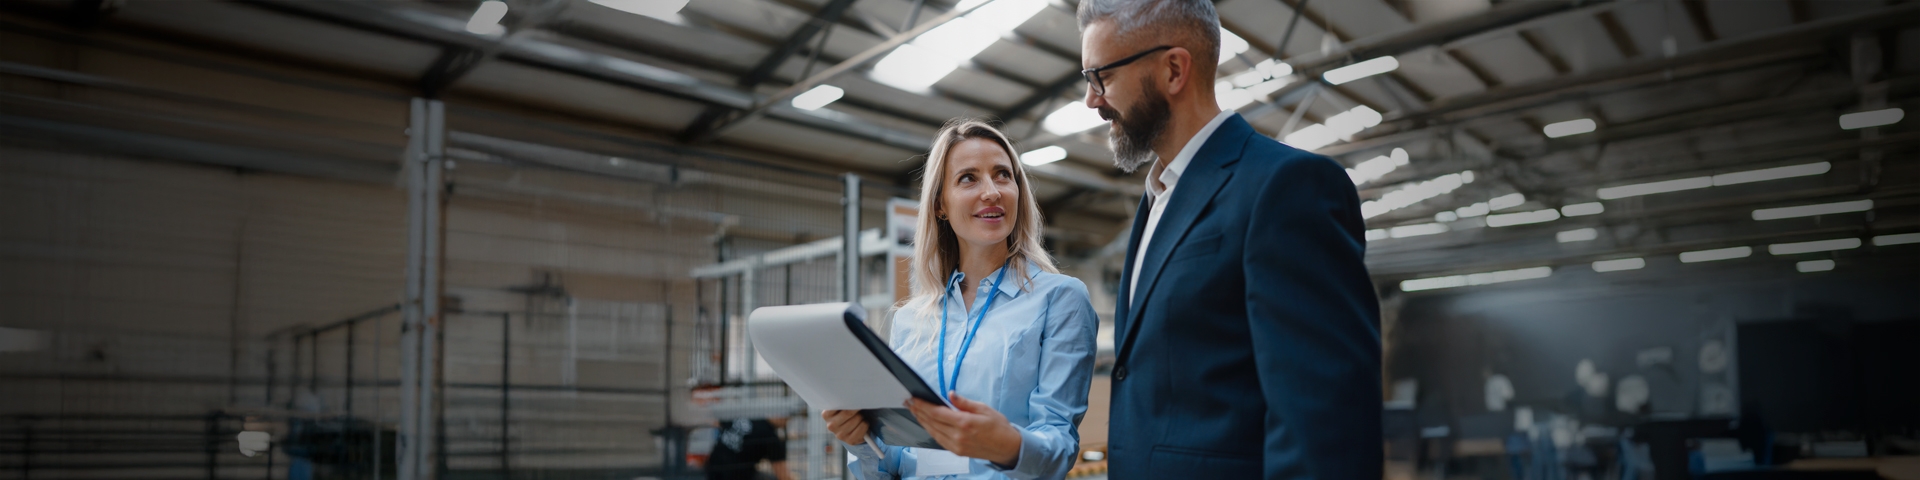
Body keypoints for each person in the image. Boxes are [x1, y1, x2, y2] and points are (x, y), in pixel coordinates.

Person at [1074, 0, 1383, 477]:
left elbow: (1326, 424)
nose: (1092, 100)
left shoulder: (1285, 188)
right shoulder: (1159, 197)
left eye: (1102, 78)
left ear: (1174, 70)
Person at [822, 119, 1098, 480]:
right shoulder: (910, 319)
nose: (992, 191)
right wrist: (860, 441)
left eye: (1003, 175)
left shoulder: (1061, 299)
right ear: (940, 204)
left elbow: (1058, 448)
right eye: (969, 178)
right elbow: (893, 463)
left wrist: (1007, 444)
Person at [705, 416, 797, 480]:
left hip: (712, 467)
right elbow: (782, 475)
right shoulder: (770, 437)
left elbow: (716, 423)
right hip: (735, 475)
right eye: (788, 418)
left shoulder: (749, 416)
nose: (787, 422)